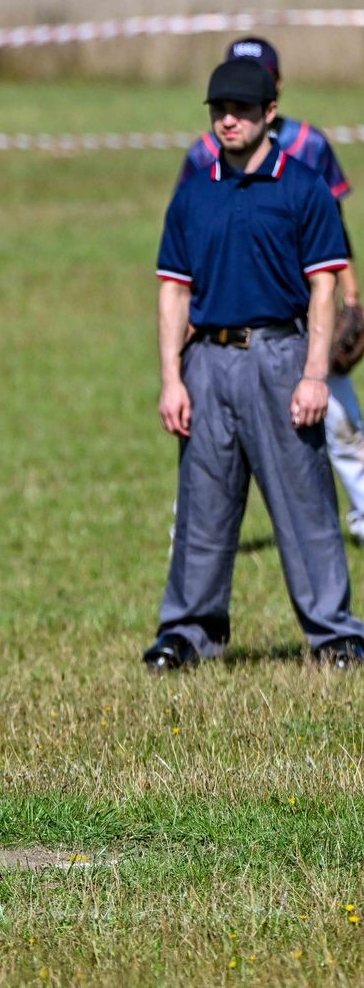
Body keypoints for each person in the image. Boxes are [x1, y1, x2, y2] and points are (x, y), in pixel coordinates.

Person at [146, 58, 364, 671]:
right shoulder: (193, 193)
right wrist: (171, 379)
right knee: (203, 506)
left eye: (241, 109)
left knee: (305, 502)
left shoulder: (303, 188)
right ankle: (186, 633)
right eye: (219, 110)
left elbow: (324, 287)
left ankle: (335, 633)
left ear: (271, 113)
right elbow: (173, 290)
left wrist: (316, 374)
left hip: (281, 355)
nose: (228, 120)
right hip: (208, 362)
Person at [177, 36, 364, 542]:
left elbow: (334, 228)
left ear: (275, 87)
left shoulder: (309, 144)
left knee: (340, 416)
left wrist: (351, 294)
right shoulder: (204, 151)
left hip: (305, 313)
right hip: (226, 316)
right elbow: (191, 231)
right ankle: (192, 529)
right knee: (210, 432)